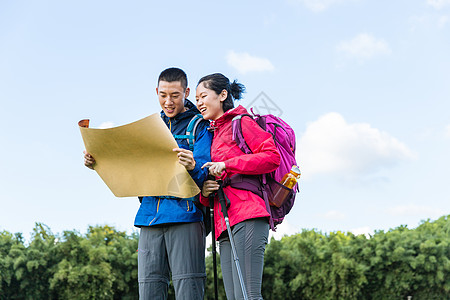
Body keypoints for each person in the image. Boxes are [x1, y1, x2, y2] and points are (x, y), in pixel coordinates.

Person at [84, 67, 212, 300]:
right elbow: (128, 165)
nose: (168, 101)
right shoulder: (149, 128)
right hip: (148, 219)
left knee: (188, 290)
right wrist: (98, 162)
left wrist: (193, 165)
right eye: (163, 95)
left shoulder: (199, 126)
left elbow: (206, 174)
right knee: (149, 291)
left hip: (186, 217)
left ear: (186, 92)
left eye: (175, 95)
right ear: (156, 91)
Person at [196, 73, 281, 300]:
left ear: (223, 95)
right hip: (224, 224)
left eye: (203, 96)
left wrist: (227, 164)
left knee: (249, 296)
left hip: (248, 215)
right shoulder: (211, 134)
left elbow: (272, 157)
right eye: (196, 99)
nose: (199, 103)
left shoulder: (241, 123)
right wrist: (205, 193)